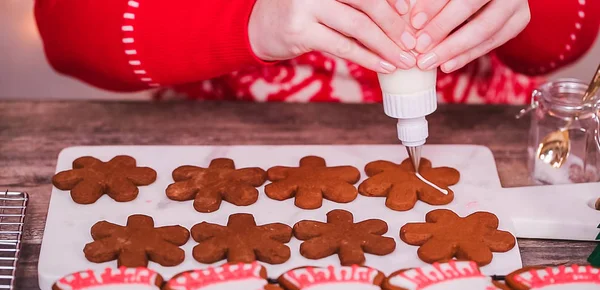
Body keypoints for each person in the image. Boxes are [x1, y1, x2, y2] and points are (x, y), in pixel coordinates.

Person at [35, 0, 599, 104]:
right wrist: (249, 22)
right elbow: (68, 31)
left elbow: (560, 45)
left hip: (477, 123)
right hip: (228, 133)